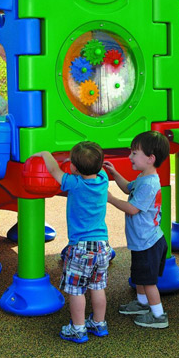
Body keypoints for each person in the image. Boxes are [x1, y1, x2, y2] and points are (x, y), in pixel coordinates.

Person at [33, 142, 111, 343]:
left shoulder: (74, 183)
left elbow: (53, 170)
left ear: (74, 168)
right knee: (97, 286)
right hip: (102, 246)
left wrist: (45, 151)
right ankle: (99, 323)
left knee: (77, 291)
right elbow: (95, 168)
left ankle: (78, 328)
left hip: (81, 247)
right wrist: (78, 162)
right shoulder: (103, 179)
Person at [104, 130, 170, 330]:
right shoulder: (143, 177)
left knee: (148, 282)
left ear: (150, 159)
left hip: (148, 242)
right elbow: (128, 188)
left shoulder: (149, 184)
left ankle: (159, 315)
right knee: (140, 276)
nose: (130, 156)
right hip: (144, 240)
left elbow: (132, 209)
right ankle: (142, 304)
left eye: (134, 153)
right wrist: (115, 174)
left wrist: (110, 198)